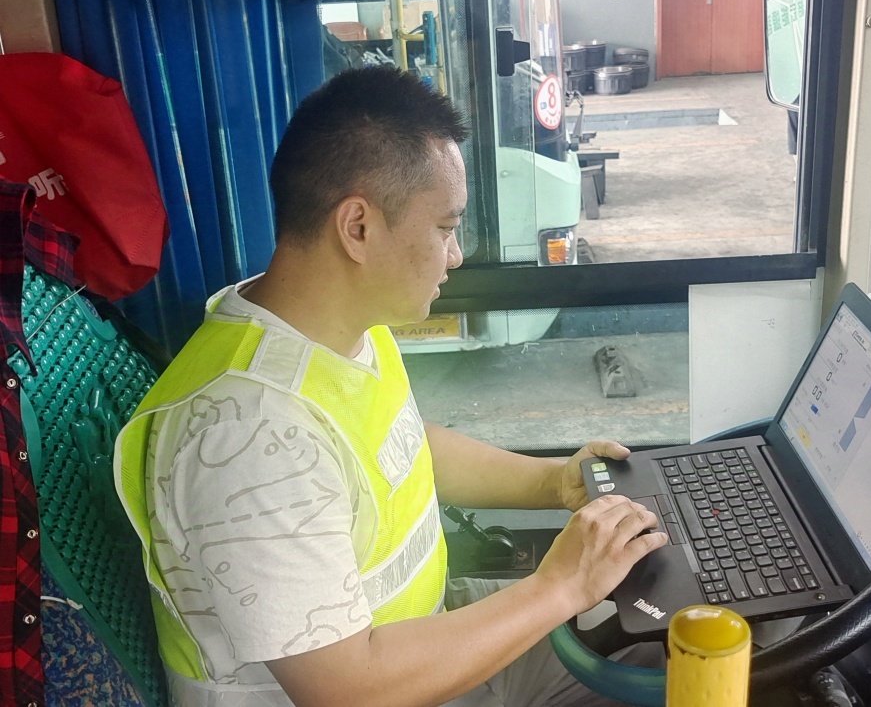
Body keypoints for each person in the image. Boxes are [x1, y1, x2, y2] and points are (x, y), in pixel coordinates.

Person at [114, 66, 667, 707]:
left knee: (672, 637)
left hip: (421, 632)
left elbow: (405, 446)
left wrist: (553, 483)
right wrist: (562, 585)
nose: (455, 255)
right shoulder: (248, 434)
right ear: (358, 227)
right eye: (445, 228)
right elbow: (348, 689)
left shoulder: (334, 326)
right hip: (380, 684)